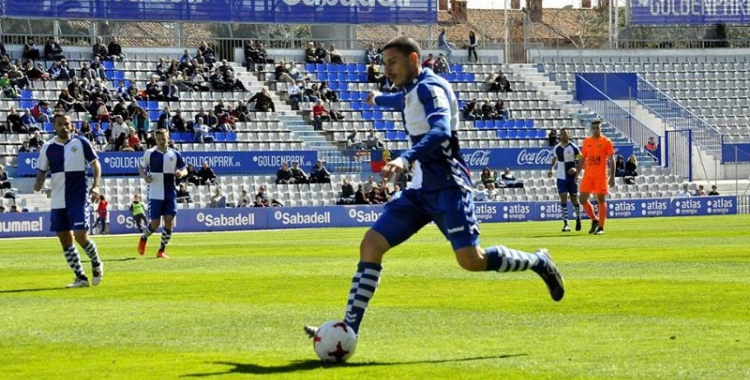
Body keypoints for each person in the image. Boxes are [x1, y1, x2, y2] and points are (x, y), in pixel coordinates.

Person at [303, 37, 564, 343]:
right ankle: (348, 330)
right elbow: (402, 101)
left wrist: (404, 157)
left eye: (392, 62)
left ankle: (538, 261)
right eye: (384, 63)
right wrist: (377, 99)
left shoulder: (431, 87)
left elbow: (440, 131)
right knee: (371, 245)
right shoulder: (412, 88)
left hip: (448, 187)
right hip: (419, 189)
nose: (386, 69)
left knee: (471, 260)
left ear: (413, 58)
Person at [34, 114, 104, 288]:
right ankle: (80, 277)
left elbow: (96, 164)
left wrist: (96, 186)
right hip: (58, 200)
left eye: (67, 124)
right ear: (54, 126)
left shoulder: (80, 143)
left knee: (81, 236)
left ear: (72, 125)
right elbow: (42, 170)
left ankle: (96, 262)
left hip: (78, 198)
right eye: (60, 124)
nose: (64, 127)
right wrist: (38, 182)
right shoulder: (48, 147)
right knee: (65, 239)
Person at [137, 129, 187, 259]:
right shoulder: (150, 153)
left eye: (163, 138)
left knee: (169, 221)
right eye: (159, 139)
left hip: (170, 193)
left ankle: (161, 250)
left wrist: (181, 173)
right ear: (156, 139)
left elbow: (184, 169)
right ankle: (144, 237)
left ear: (168, 138)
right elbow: (141, 167)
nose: (161, 141)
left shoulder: (175, 154)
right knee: (155, 223)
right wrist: (145, 177)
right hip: (155, 192)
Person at [575, 119, 615, 235]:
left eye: (598, 128)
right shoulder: (587, 141)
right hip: (588, 175)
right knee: (582, 199)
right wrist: (577, 173)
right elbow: (583, 159)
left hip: (600, 176)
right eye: (594, 128)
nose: (596, 130)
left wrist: (612, 176)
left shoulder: (606, 142)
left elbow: (612, 159)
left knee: (601, 200)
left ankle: (601, 227)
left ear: (601, 128)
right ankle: (594, 219)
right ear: (591, 129)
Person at [548, 128, 582, 232]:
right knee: (563, 198)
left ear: (568, 135)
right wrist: (551, 169)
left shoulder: (574, 147)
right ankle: (566, 223)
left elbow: (581, 159)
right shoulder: (557, 148)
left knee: (574, 199)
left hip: (572, 177)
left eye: (565, 134)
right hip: (561, 176)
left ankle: (578, 217)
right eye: (561, 134)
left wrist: (575, 168)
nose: (563, 136)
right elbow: (555, 159)